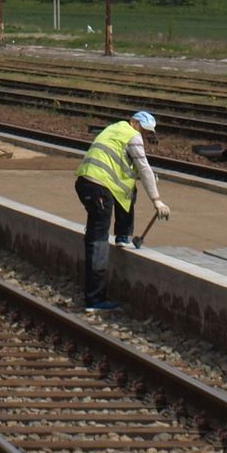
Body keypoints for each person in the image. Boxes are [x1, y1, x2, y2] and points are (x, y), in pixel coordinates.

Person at [74, 111, 171, 312]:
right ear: (133, 122)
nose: (143, 134)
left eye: (147, 132)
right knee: (98, 241)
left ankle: (122, 236)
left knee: (126, 192)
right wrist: (157, 200)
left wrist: (146, 178)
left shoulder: (114, 129)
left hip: (86, 182)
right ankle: (95, 300)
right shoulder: (133, 136)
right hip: (100, 186)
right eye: (143, 129)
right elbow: (143, 168)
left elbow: (125, 167)